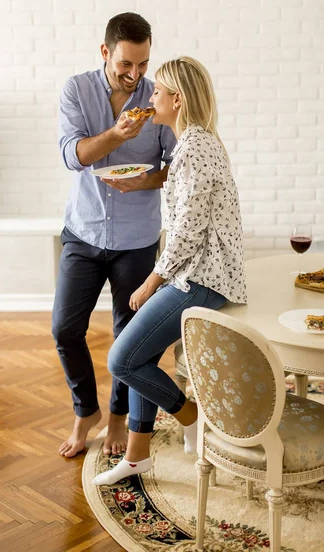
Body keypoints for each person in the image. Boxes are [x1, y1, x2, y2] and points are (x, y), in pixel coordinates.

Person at [92, 56, 247, 486]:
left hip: (202, 278)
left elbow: (187, 231)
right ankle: (138, 456)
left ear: (176, 100)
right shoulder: (194, 142)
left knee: (122, 358)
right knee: (141, 356)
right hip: (199, 273)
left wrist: (150, 281)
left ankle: (191, 415)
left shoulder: (195, 146)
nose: (151, 95)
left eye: (158, 90)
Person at [52, 12, 176, 458]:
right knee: (65, 328)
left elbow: (173, 168)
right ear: (106, 52)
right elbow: (74, 155)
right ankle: (86, 411)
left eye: (143, 65)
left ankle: (119, 417)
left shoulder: (159, 100)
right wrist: (117, 133)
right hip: (83, 230)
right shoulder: (76, 90)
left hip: (137, 237)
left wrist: (142, 181)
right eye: (126, 63)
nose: (135, 74)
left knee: (130, 334)